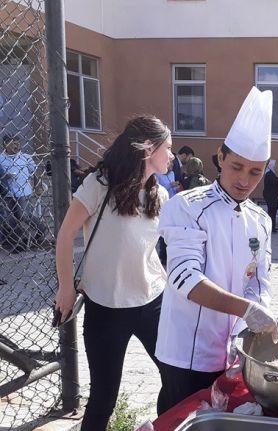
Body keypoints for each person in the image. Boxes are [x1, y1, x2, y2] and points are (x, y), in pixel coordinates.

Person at [156, 87, 278, 414]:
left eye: (255, 171)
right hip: (187, 353)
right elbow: (184, 278)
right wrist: (246, 310)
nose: (243, 179)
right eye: (237, 166)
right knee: (182, 420)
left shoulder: (260, 220)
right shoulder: (186, 207)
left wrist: (255, 319)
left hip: (233, 351)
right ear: (221, 158)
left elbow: (258, 281)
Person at [53, 115, 173, 431]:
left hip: (152, 304)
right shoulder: (99, 184)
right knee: (103, 400)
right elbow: (66, 236)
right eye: (168, 149)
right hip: (105, 308)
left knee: (176, 379)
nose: (172, 156)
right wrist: (66, 288)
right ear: (148, 149)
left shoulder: (160, 195)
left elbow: (149, 253)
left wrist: (172, 287)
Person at [0, 135, 50, 252]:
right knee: (9, 219)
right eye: (12, 143)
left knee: (23, 215)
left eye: (17, 143)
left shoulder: (26, 158)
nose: (15, 145)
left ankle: (42, 228)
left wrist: (38, 186)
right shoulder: (1, 158)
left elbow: (35, 173)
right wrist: (4, 176)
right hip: (7, 193)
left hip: (24, 192)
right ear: (5, 145)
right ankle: (18, 242)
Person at [263, 159, 278, 233]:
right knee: (271, 211)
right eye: (274, 165)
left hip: (273, 196)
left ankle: (273, 227)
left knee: (273, 211)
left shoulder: (271, 173)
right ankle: (270, 227)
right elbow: (274, 182)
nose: (275, 166)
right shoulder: (269, 174)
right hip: (270, 196)